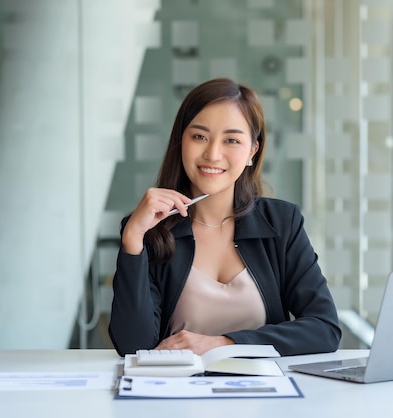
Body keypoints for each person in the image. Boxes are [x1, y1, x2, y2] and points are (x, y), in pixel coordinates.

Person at [108, 78, 341, 357]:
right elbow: (133, 346)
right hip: (176, 395)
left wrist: (223, 343)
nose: (213, 154)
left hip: (267, 395)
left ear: (252, 151)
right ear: (180, 141)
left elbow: (324, 329)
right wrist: (133, 239)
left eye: (231, 140)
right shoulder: (150, 229)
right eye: (199, 137)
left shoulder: (282, 223)